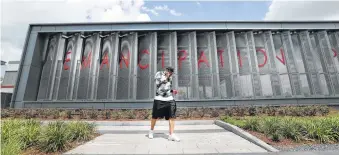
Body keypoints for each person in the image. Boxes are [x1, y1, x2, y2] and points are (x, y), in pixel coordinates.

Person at [148, 67, 180, 142]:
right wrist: (165, 77)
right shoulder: (158, 74)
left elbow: (167, 88)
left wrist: (172, 91)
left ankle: (171, 135)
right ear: (166, 71)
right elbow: (158, 84)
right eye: (169, 72)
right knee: (155, 116)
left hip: (169, 99)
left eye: (171, 73)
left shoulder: (170, 77)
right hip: (159, 98)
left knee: (172, 116)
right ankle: (151, 131)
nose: (170, 74)